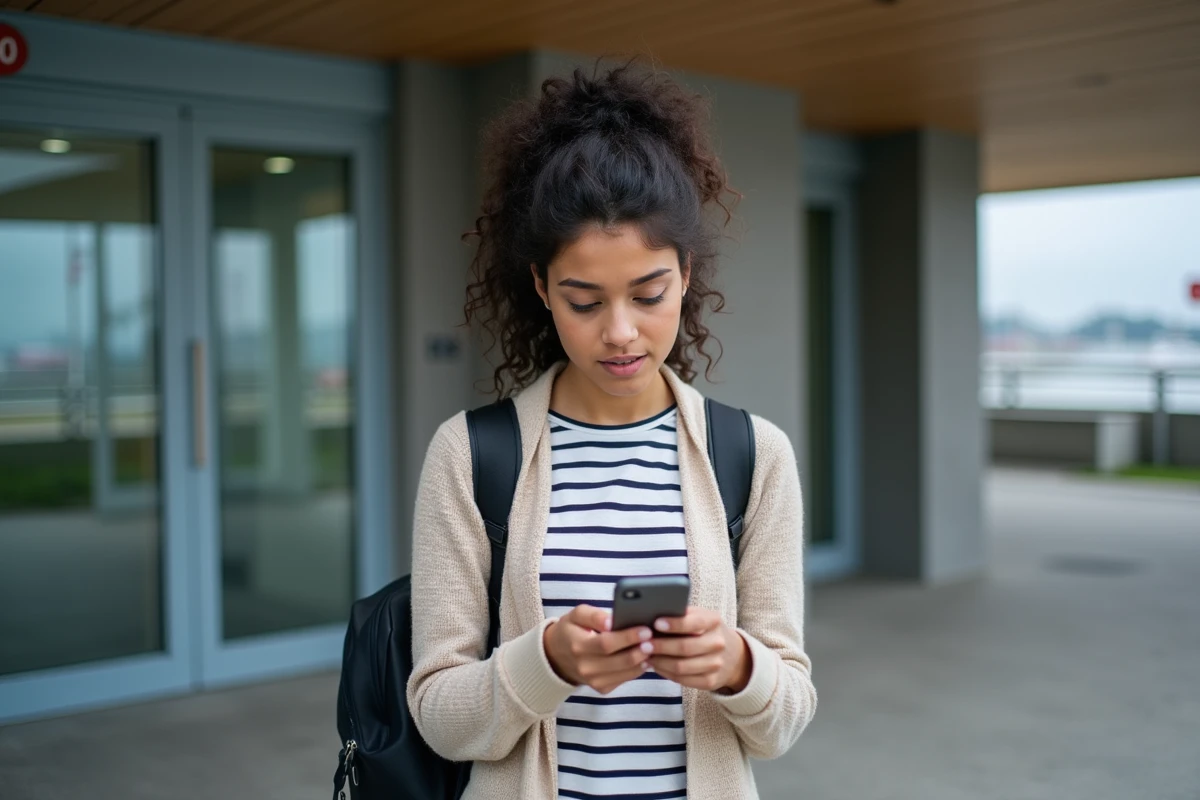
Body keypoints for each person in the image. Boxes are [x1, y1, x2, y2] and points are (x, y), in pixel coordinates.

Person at [406, 61, 816, 800]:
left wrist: (737, 666)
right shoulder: (469, 455)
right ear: (540, 288)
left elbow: (784, 721)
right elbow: (437, 714)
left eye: (648, 294)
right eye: (584, 301)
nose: (621, 333)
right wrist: (549, 664)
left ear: (686, 274)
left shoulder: (754, 457)